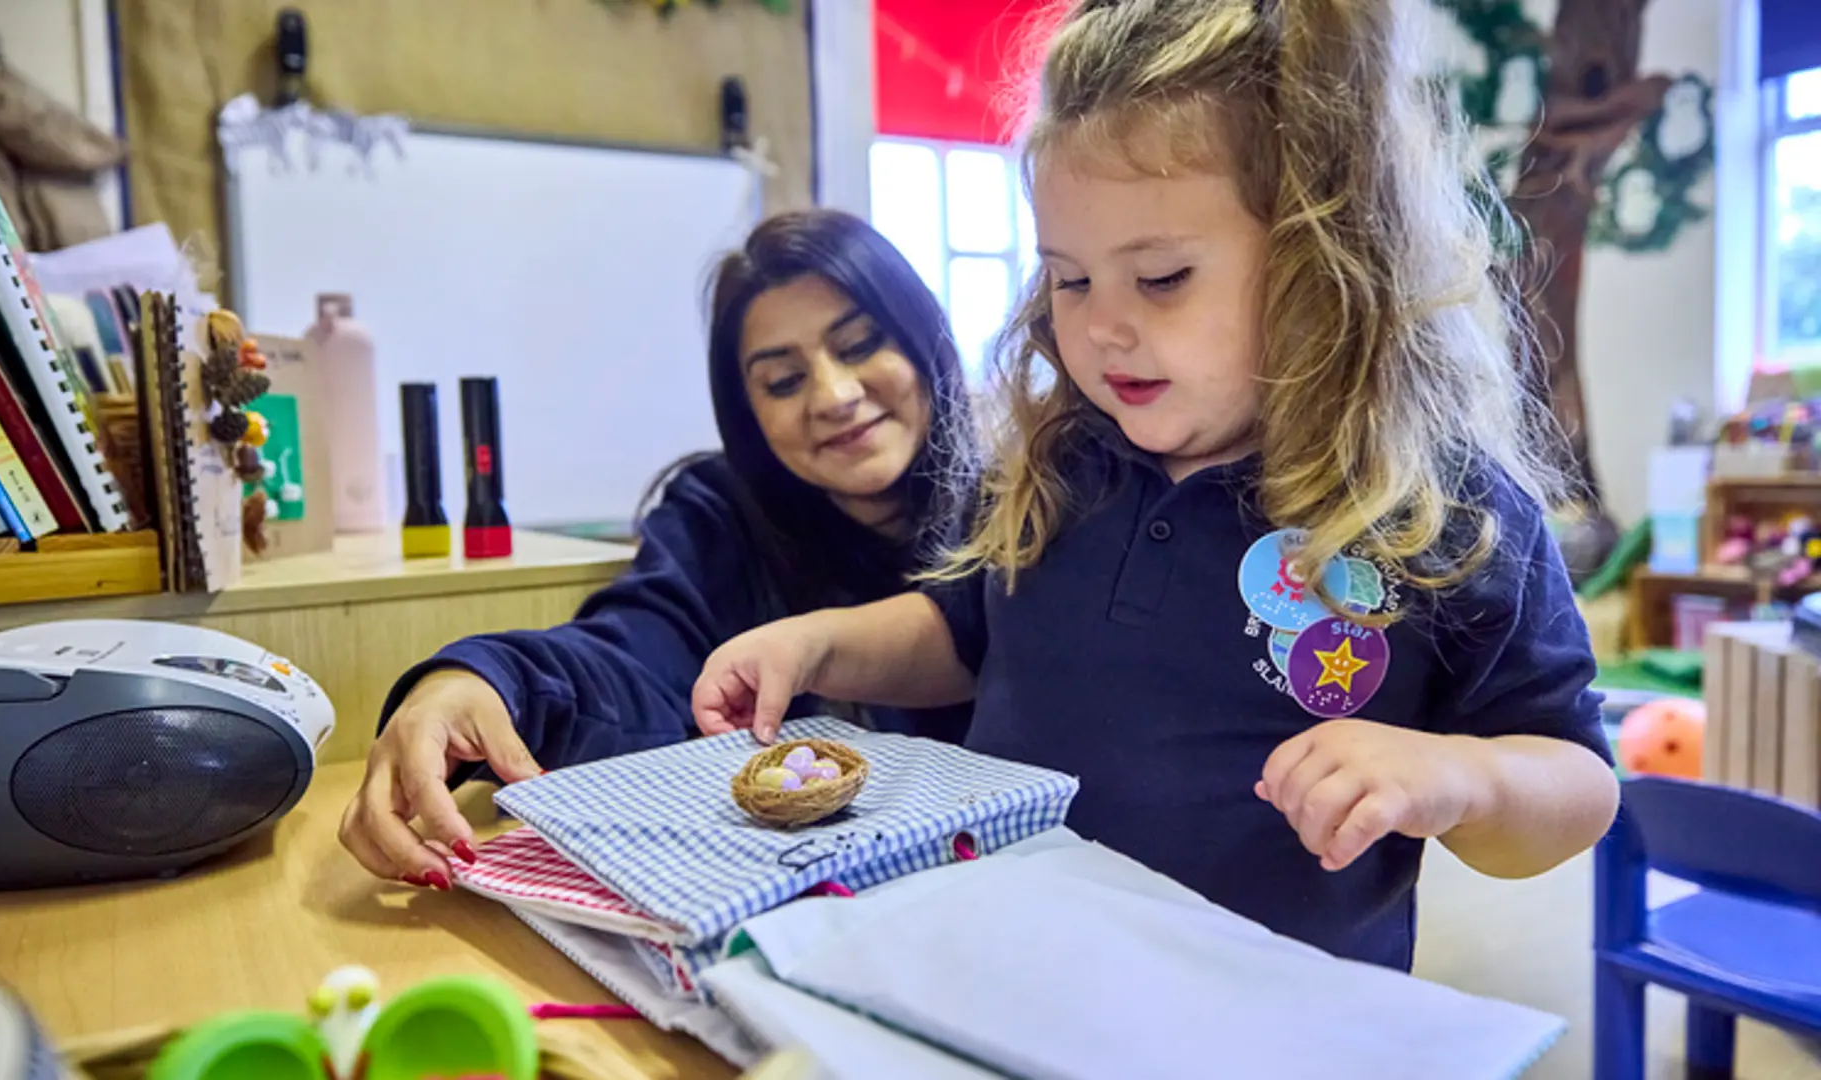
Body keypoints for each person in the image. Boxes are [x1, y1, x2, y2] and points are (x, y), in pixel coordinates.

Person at [691, 0, 1620, 971]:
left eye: (1164, 277)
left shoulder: (1443, 507)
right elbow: (972, 637)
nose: (1102, 329)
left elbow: (1576, 784)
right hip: (1018, 970)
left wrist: (1460, 776)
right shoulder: (1060, 459)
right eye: (1070, 279)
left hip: (1269, 1022)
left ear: (1323, 254)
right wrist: (822, 642)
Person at [340, 210, 975, 890]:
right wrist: (476, 679)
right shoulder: (721, 517)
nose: (835, 396)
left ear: (922, 334)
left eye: (858, 345)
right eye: (783, 382)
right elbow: (631, 652)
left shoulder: (1027, 505)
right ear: (746, 415)